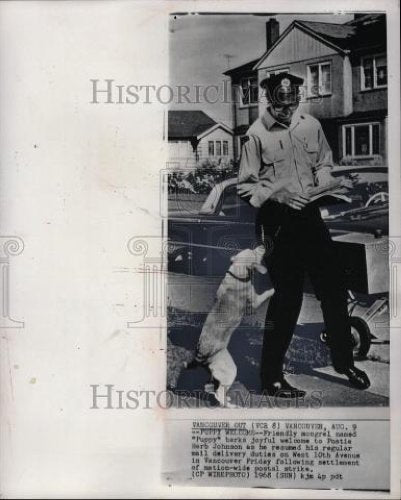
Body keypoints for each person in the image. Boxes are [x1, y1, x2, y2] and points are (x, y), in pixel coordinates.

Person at [237, 73, 370, 398]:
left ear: (299, 99)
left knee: (334, 289)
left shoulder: (311, 125)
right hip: (278, 222)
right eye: (280, 105)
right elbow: (245, 186)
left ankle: (343, 360)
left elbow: (325, 163)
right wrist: (279, 195)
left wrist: (322, 182)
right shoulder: (255, 135)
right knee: (288, 297)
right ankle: (271, 378)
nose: (286, 110)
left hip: (309, 218)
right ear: (269, 99)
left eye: (292, 103)